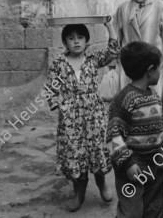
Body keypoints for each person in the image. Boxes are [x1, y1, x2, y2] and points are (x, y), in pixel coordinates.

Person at [46, 21, 119, 212]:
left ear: (87, 41)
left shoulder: (93, 59)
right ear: (64, 42)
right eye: (71, 38)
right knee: (75, 153)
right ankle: (79, 192)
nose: (76, 42)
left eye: (80, 38)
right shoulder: (59, 65)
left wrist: (109, 26)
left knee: (96, 149)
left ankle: (102, 184)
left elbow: (113, 52)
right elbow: (51, 89)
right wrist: (58, 104)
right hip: (71, 120)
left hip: (94, 114)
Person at [106, 41, 163, 218]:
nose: (161, 73)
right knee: (131, 211)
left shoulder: (153, 96)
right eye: (160, 68)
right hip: (133, 163)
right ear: (150, 70)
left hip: (156, 161)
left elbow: (160, 126)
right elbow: (113, 135)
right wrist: (127, 164)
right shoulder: (124, 99)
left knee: (155, 205)